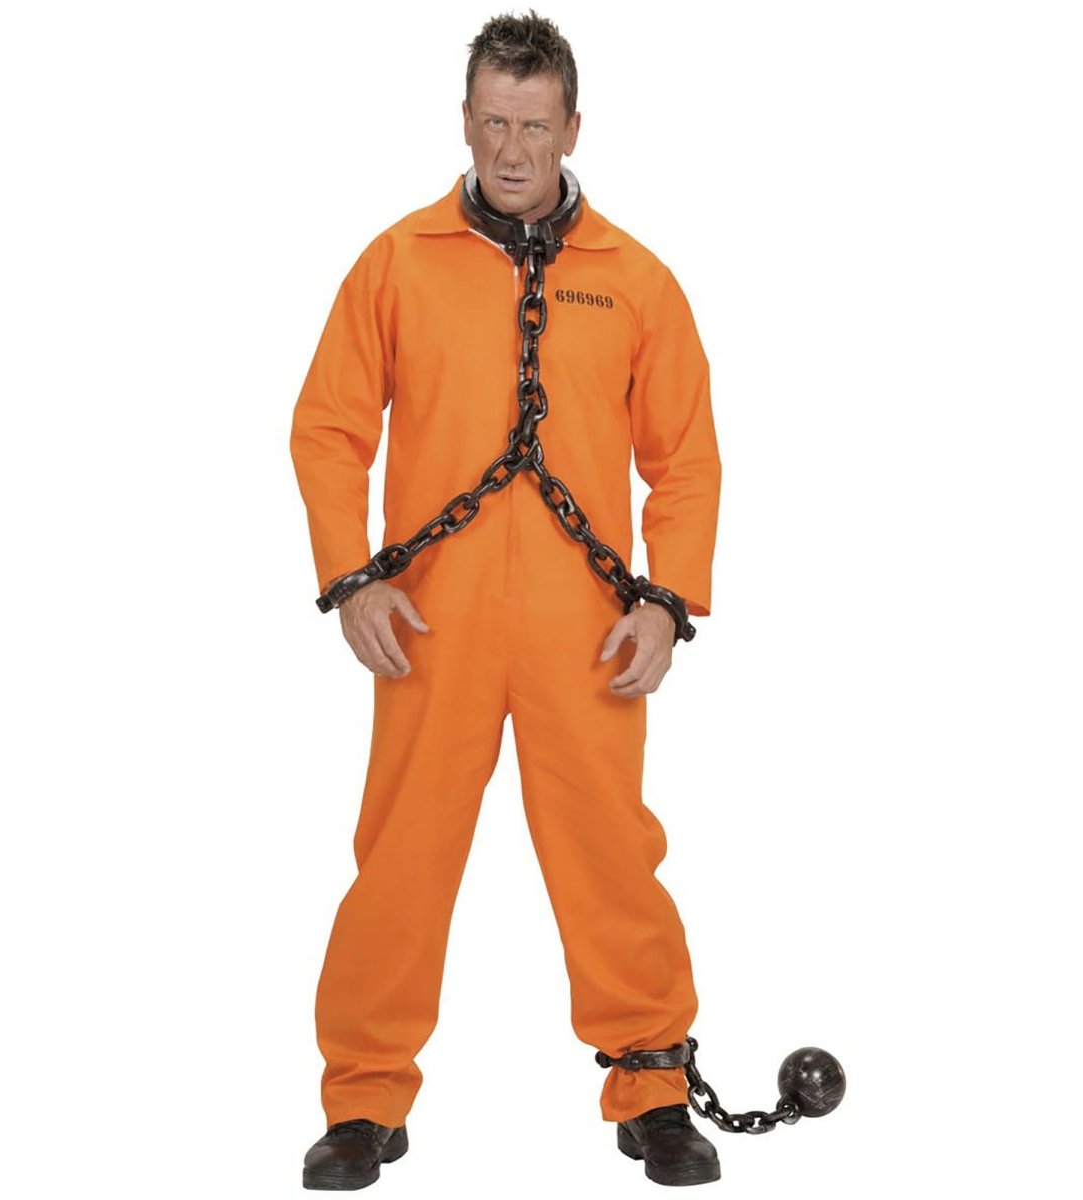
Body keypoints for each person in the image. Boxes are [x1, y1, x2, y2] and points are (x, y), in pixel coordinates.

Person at [290, 9, 722, 1190]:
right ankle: (364, 1100)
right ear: (465, 121)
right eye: (494, 122)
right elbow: (328, 428)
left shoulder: (635, 280)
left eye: (535, 125)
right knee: (402, 855)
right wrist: (351, 579)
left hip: (590, 632)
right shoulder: (398, 263)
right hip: (431, 624)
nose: (513, 148)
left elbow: (684, 460)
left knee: (610, 852)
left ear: (573, 127)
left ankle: (652, 1086)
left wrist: (666, 602)